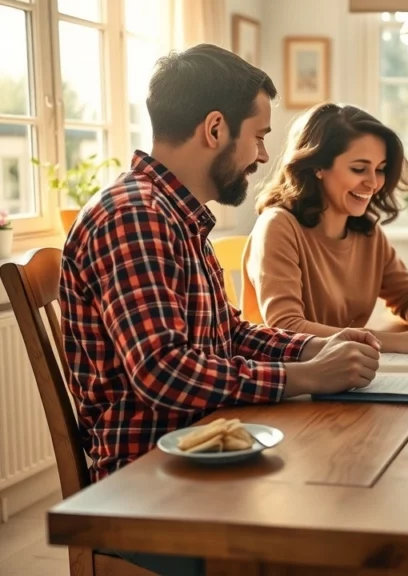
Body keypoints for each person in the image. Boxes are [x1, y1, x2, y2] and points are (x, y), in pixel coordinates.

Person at [60, 45, 383, 485]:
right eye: (259, 136)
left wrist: (312, 349)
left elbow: (227, 334)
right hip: (149, 480)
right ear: (215, 129)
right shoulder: (134, 215)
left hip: (210, 448)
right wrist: (303, 376)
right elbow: (163, 371)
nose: (264, 156)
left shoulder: (175, 214)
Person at [241, 102, 408, 353]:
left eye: (380, 170)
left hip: (345, 372)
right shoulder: (277, 227)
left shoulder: (367, 233)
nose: (373, 183)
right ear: (317, 166)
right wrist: (395, 342)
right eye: (359, 169)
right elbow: (286, 328)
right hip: (287, 379)